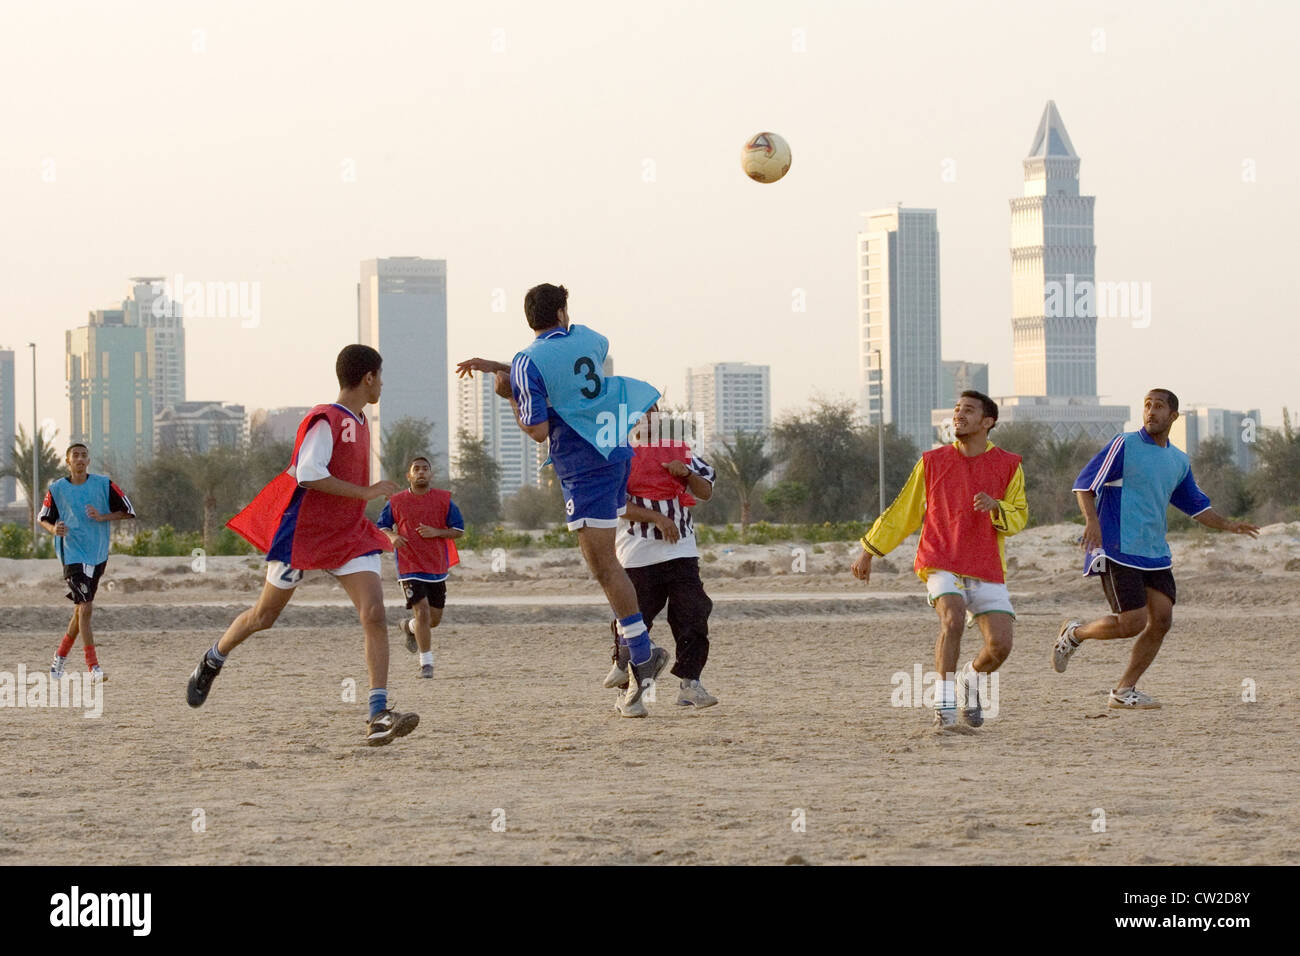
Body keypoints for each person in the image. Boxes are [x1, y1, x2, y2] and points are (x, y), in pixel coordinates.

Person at [184, 344, 418, 747]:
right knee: (264, 616)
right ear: (368, 378)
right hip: (304, 533)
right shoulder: (326, 420)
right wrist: (366, 491)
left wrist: (359, 500)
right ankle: (212, 659)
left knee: (375, 613)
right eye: (380, 377)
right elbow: (309, 475)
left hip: (347, 534)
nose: (382, 384)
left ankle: (377, 714)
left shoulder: (361, 421)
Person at [456, 282, 669, 717]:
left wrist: (510, 391)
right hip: (614, 453)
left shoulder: (526, 363)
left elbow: (536, 430)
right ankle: (635, 654)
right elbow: (567, 368)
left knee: (605, 568)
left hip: (581, 465)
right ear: (563, 312)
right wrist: (504, 365)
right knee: (610, 565)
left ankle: (643, 658)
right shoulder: (589, 338)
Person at [1052, 388, 1260, 708]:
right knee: (1130, 623)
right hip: (1118, 547)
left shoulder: (1178, 460)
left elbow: (1196, 507)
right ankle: (1075, 634)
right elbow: (1084, 484)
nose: (1151, 411)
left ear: (1173, 416)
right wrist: (1091, 523)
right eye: (1147, 405)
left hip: (1155, 553)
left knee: (1161, 620)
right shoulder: (1125, 444)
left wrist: (1229, 525)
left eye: (1159, 406)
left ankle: (1123, 691)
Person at [851, 391, 1028, 728]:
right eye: (957, 409)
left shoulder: (1010, 465)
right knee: (953, 618)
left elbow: (1020, 517)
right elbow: (903, 512)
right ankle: (944, 705)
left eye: (969, 410)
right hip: (940, 559)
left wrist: (998, 508)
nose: (959, 414)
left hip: (987, 565)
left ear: (987, 422)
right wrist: (869, 550)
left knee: (1000, 646)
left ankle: (970, 680)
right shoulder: (932, 462)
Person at [604, 408, 719, 708]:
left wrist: (687, 474)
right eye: (639, 415)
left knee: (693, 612)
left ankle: (690, 683)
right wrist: (656, 518)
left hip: (681, 550)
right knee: (632, 621)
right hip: (636, 553)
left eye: (652, 414)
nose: (646, 420)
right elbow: (616, 504)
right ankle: (628, 690)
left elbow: (705, 491)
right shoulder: (620, 457)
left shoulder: (682, 451)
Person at [40, 442, 136, 683]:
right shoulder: (57, 488)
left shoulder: (104, 484)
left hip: (98, 554)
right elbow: (43, 517)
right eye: (75, 455)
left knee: (80, 611)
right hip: (71, 554)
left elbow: (128, 511)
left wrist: (102, 516)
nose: (80, 459)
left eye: (84, 455)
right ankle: (93, 667)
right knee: (86, 608)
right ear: (68, 461)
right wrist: (54, 529)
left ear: (88, 461)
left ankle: (58, 660)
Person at [377, 455, 463, 679]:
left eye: (425, 469)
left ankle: (410, 627)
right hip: (409, 565)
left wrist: (438, 532)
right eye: (417, 469)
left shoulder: (444, 500)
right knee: (422, 611)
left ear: (431, 474)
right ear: (409, 475)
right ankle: (427, 664)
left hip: (436, 566)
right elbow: (381, 527)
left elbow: (459, 530)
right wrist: (392, 535)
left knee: (433, 620)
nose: (421, 472)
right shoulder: (396, 501)